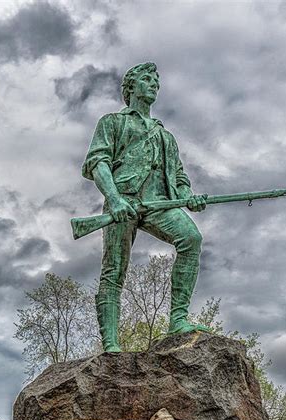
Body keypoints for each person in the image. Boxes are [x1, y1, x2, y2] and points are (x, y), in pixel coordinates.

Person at [82, 62, 208, 352]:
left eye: (156, 81)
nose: (154, 84)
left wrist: (190, 196)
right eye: (147, 79)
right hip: (122, 201)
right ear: (130, 87)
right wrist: (114, 199)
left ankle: (178, 319)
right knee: (114, 271)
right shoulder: (113, 122)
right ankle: (111, 343)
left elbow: (178, 176)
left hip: (158, 204)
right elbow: (97, 162)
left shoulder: (165, 136)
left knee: (191, 238)